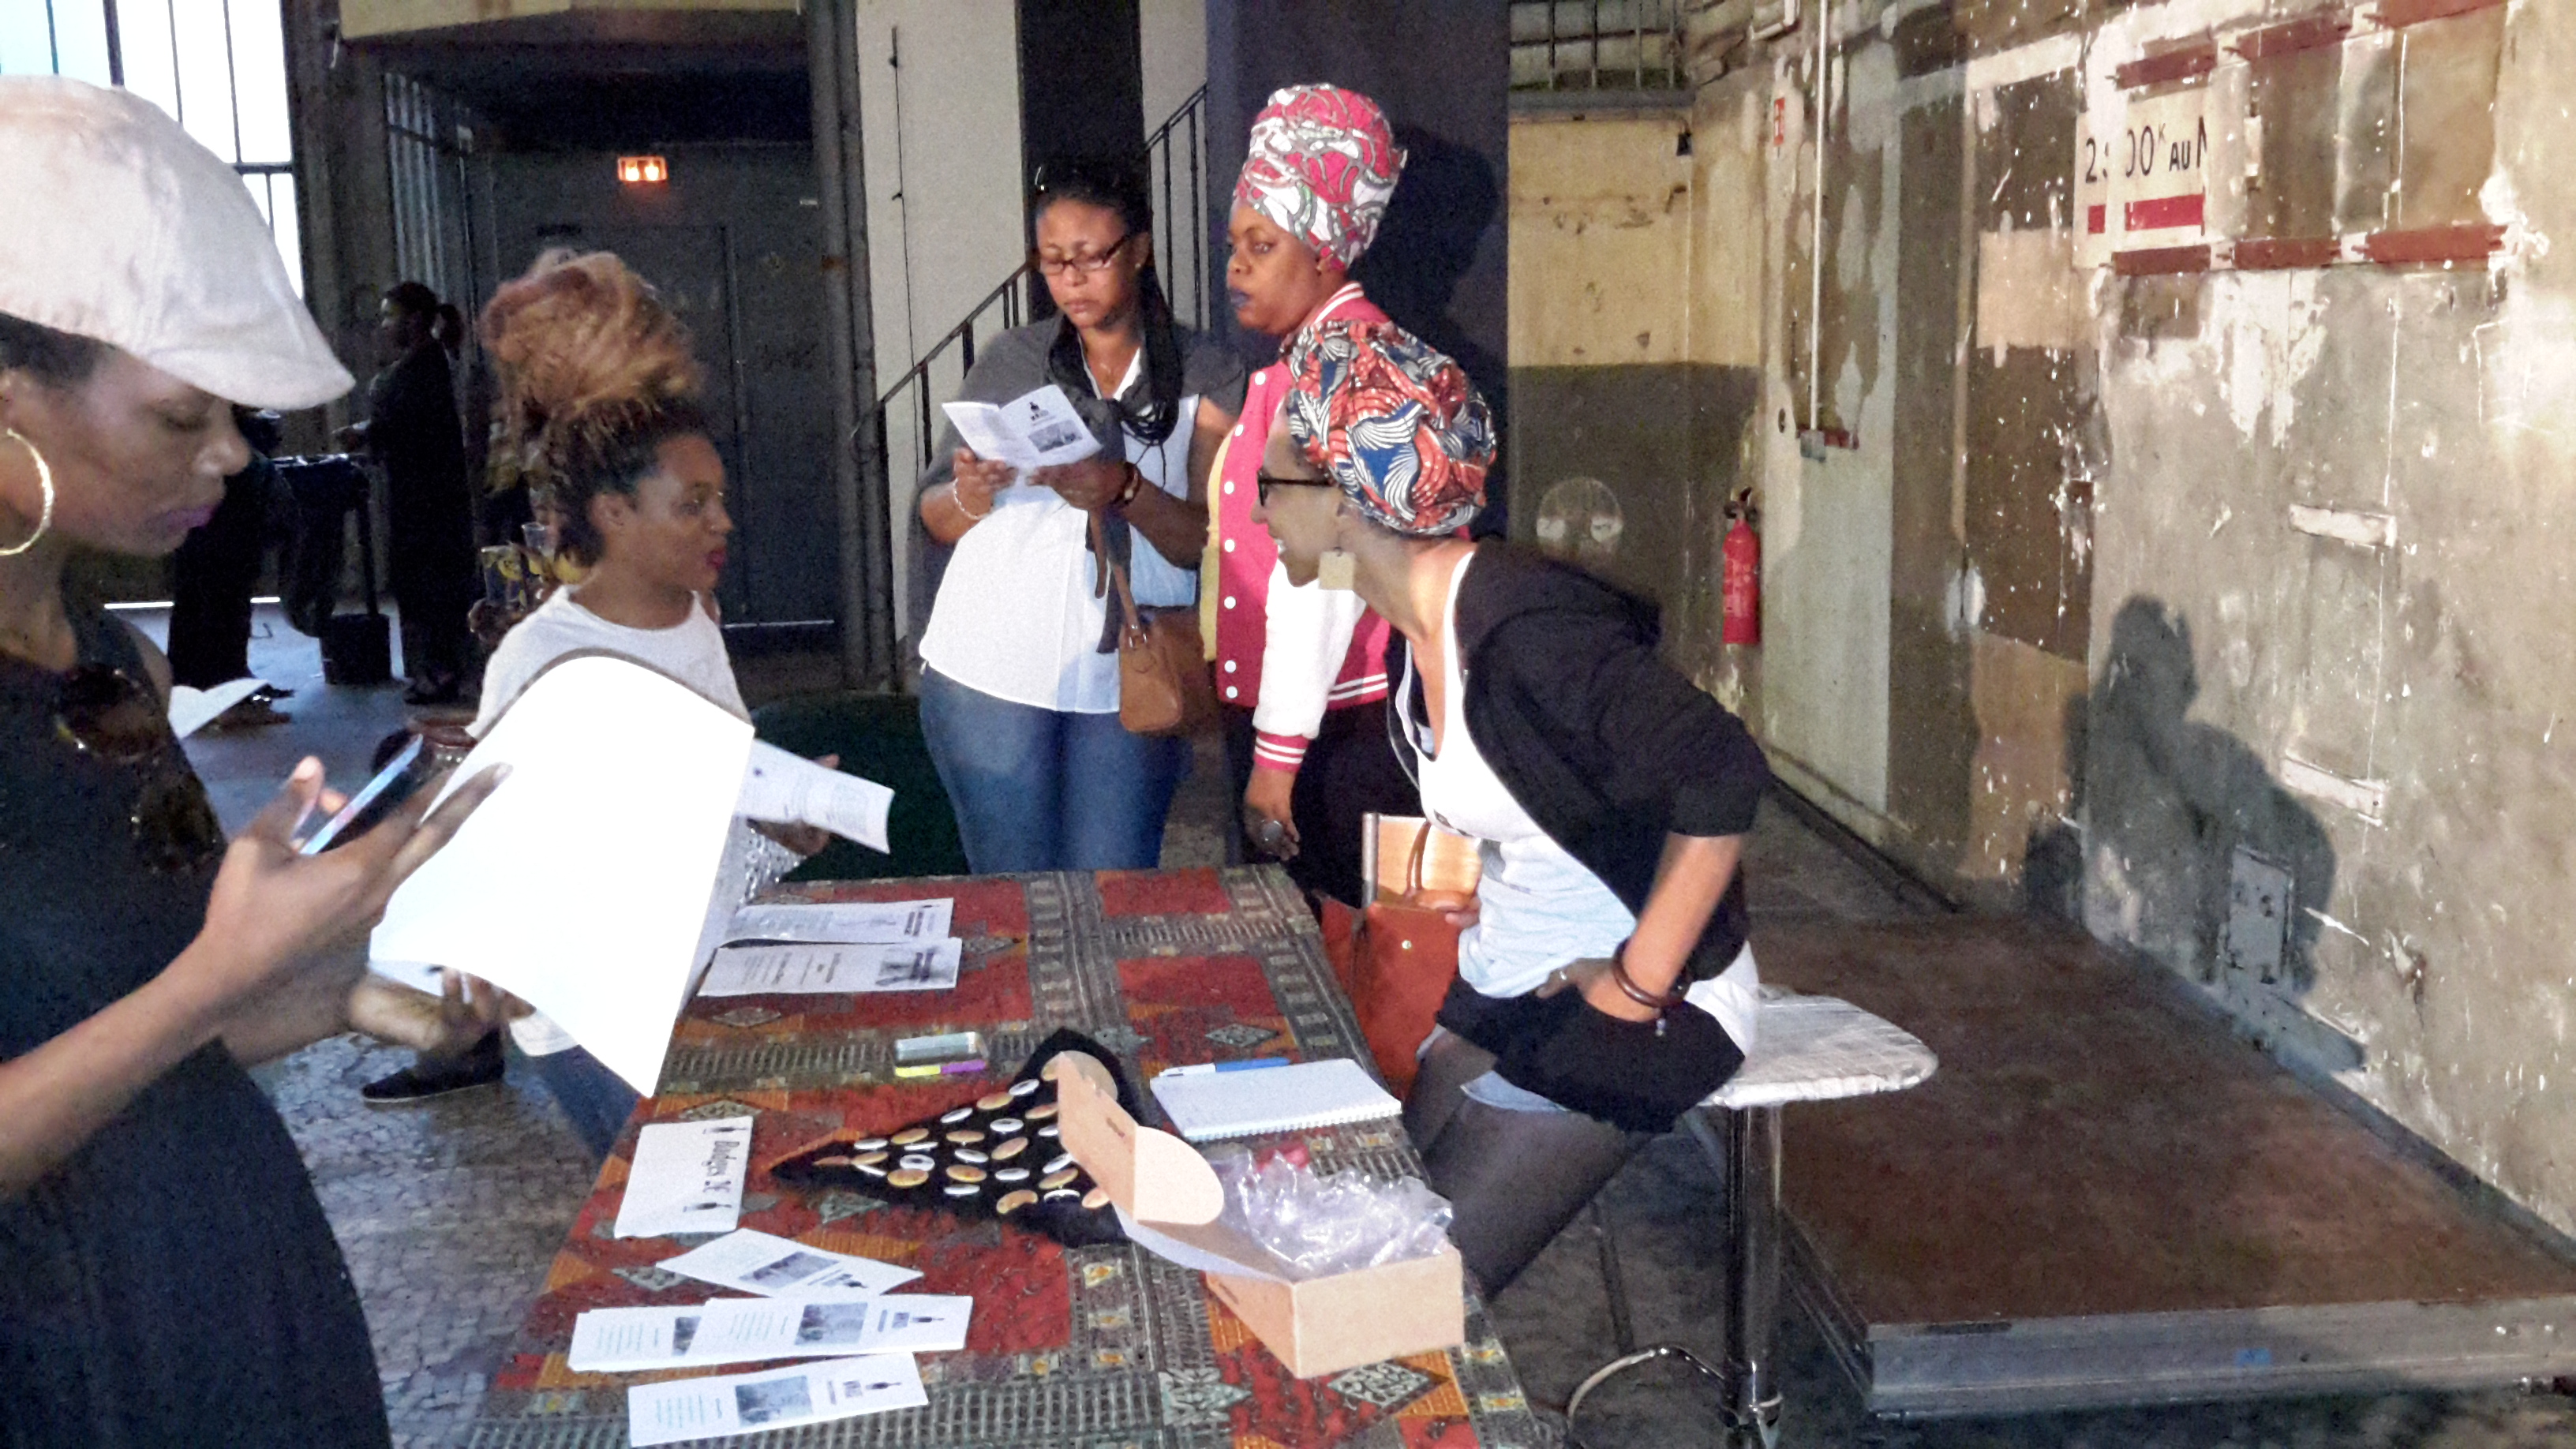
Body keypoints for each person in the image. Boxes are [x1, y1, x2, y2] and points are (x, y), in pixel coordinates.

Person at [0, 77, 504, 1445]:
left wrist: (320, 997)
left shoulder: (108, 656)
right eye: (182, 416)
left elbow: (123, 1030)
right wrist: (217, 980)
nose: (230, 451)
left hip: (214, 1276)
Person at [1252, 324, 1769, 1294]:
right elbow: (1533, 785)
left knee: (1412, 1299)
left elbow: (1722, 769)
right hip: (1514, 981)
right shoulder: (1415, 616)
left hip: (1641, 1008)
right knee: (1366, 1251)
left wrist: (1635, 984)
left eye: (1271, 485)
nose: (1256, 508)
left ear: (1349, 502)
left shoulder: (1523, 632)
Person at [360, 249, 841, 1152]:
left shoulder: (695, 619)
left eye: (720, 499)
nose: (723, 522)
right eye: (693, 504)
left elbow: (704, 845)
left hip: (695, 981)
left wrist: (779, 833)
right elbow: (486, 880)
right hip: (598, 1023)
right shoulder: (545, 660)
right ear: (615, 515)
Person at [915, 159, 1246, 872]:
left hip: (1131, 666)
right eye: (1053, 261)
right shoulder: (1013, 359)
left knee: (1113, 889)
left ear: (1139, 250)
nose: (1072, 280)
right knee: (1014, 893)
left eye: (1092, 257)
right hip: (991, 665)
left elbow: (1207, 541)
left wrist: (1124, 489)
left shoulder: (1204, 371)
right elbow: (936, 516)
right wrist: (974, 491)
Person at [1207, 83, 1421, 909]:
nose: (1236, 268)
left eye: (1261, 246)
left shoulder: (1338, 370)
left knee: (1330, 946)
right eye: (1234, 246)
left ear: (1327, 250)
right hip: (1325, 718)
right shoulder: (1322, 358)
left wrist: (1277, 758)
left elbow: (1324, 575)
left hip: (1339, 731)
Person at [340, 281, 477, 704]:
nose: (383, 325)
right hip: (421, 493)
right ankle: (437, 668)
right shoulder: (422, 366)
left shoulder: (424, 369)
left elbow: (408, 427)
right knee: (426, 582)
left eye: (389, 316)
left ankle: (440, 671)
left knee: (428, 584)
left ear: (414, 320)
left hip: (428, 498)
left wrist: (368, 433)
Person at [164, 406, 290, 722]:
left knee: (199, 589)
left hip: (204, 486)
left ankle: (190, 687)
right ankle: (226, 695)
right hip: (224, 491)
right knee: (224, 591)